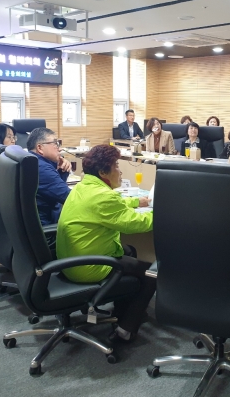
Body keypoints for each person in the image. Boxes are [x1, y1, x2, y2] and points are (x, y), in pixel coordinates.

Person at [57, 144, 154, 343]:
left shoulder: (84, 186)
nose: (119, 170)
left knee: (130, 250)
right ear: (103, 172)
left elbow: (109, 205)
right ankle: (125, 330)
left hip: (69, 260)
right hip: (87, 267)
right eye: (116, 166)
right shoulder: (103, 196)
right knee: (152, 274)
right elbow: (135, 223)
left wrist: (136, 202)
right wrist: (163, 212)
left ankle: (123, 311)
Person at [27, 127, 71, 225]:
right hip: (48, 227)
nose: (60, 149)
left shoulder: (33, 161)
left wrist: (62, 171)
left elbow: (56, 191)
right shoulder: (42, 168)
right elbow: (69, 197)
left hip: (44, 221)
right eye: (55, 143)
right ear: (40, 148)